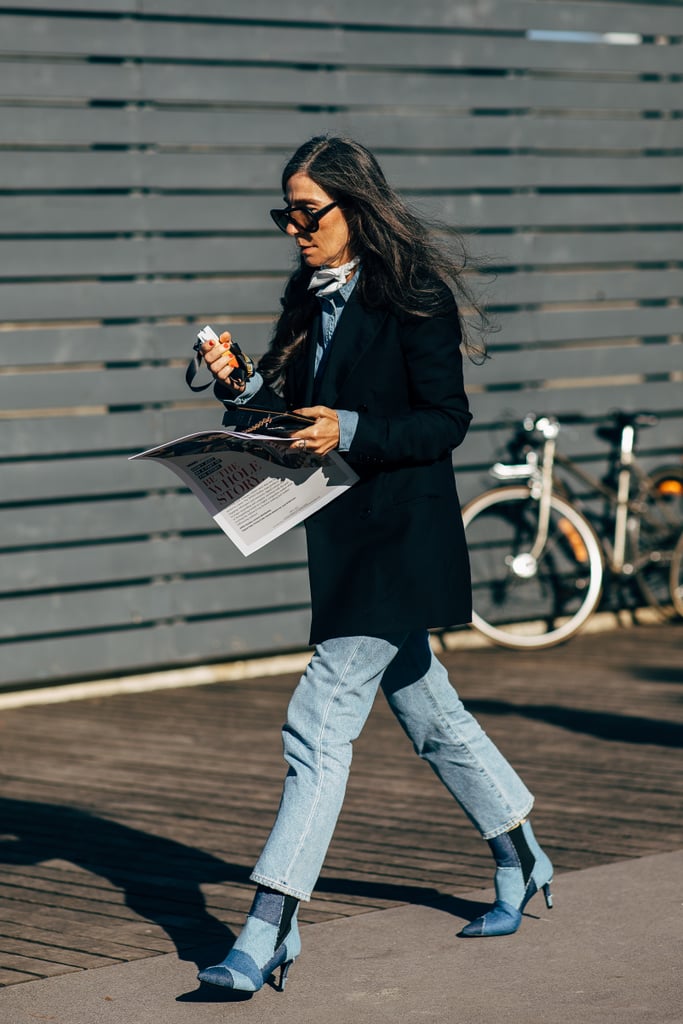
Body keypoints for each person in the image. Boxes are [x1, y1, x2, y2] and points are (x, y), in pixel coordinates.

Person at [194, 136, 553, 994]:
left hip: (405, 537)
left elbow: (443, 421)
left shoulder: (414, 297)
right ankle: (521, 854)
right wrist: (240, 387)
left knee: (317, 722)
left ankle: (268, 926)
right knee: (429, 713)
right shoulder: (305, 294)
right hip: (345, 537)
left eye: (307, 212)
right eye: (285, 214)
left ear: (355, 205)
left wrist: (350, 427)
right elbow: (293, 413)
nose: (294, 229)